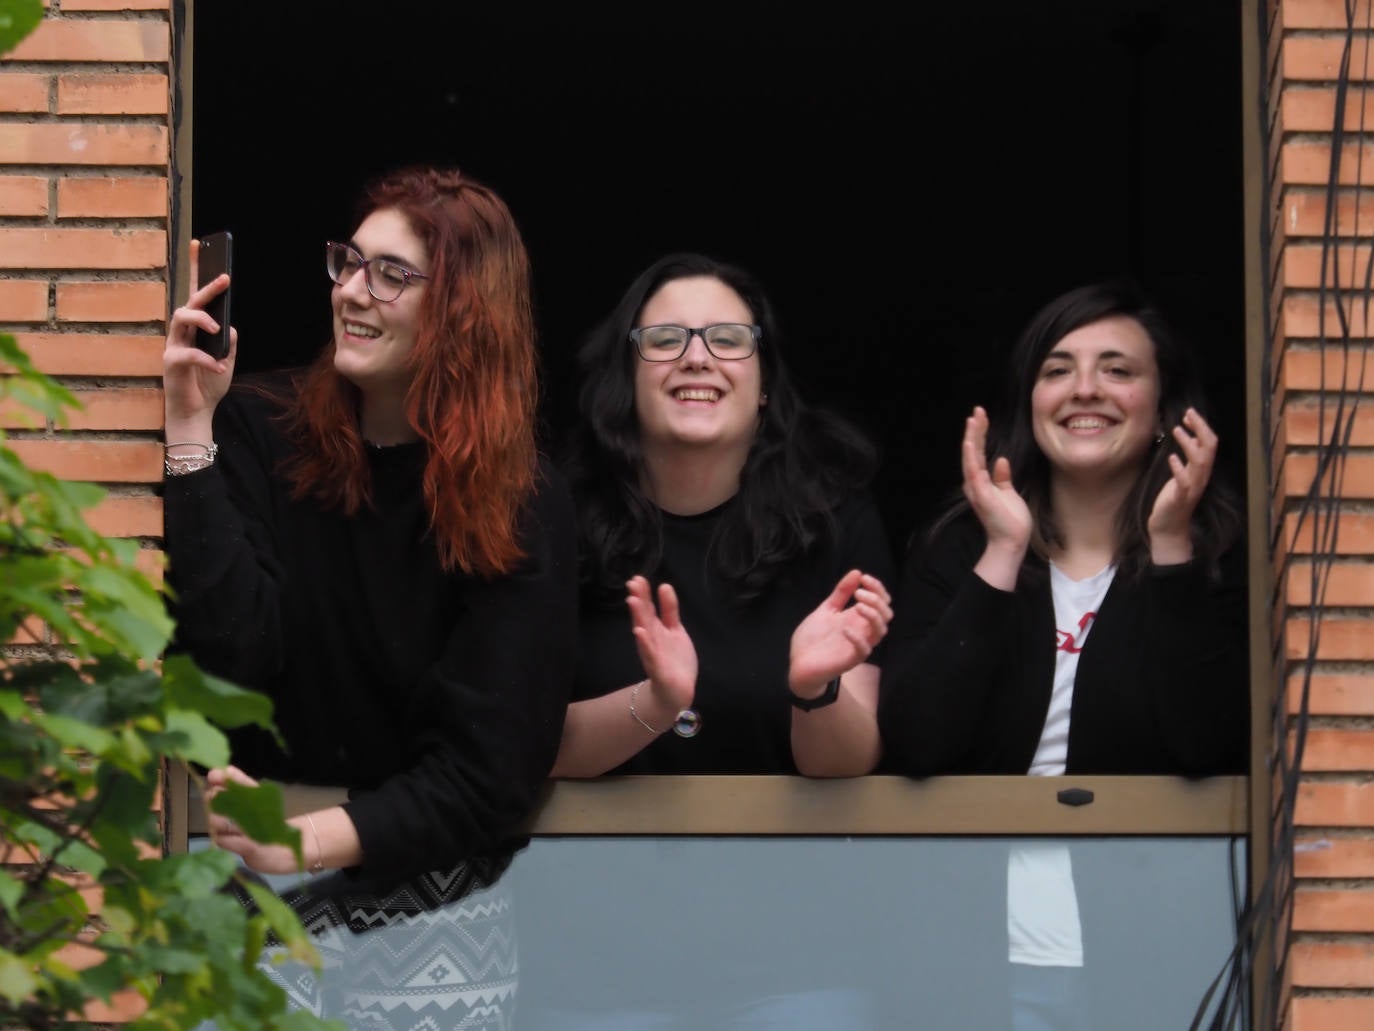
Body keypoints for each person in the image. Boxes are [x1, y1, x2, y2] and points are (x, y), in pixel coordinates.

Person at [161, 165, 578, 1025]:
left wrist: (307, 841)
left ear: (465, 310)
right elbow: (230, 660)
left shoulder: (521, 497)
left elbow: (492, 770)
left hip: (437, 896)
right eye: (349, 262)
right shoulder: (259, 428)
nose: (352, 290)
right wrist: (191, 429)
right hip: (242, 872)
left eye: (391, 274)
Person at [515, 252, 895, 1027]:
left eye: (727, 338)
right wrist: (653, 704)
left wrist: (813, 689)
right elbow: (519, 745)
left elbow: (849, 761)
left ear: (764, 382)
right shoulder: (553, 519)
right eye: (665, 339)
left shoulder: (834, 522)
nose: (697, 356)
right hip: (595, 965)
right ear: (627, 376)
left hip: (797, 965)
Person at [877, 279, 1247, 1030]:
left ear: (1165, 410)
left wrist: (1171, 549)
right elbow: (916, 741)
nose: (1085, 389)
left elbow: (1206, 745)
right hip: (975, 955)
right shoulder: (960, 546)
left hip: (1157, 952)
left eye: (1117, 369)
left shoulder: (1220, 551)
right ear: (1030, 401)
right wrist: (1002, 553)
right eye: (1058, 369)